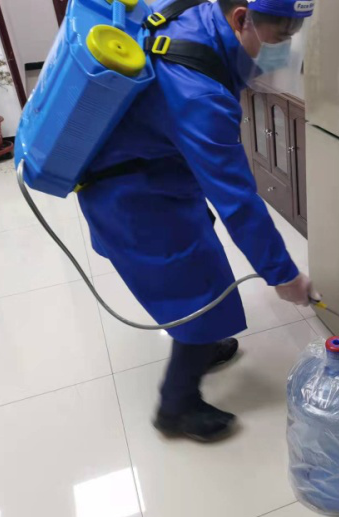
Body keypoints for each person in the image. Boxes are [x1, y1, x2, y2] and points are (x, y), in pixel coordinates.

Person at [77, 0, 318, 442]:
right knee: (200, 293)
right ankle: (176, 408)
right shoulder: (198, 95)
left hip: (154, 172)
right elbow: (238, 201)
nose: (283, 50)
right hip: (133, 198)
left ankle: (201, 348)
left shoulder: (195, 14)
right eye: (280, 38)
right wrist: (284, 275)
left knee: (199, 271)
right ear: (242, 19)